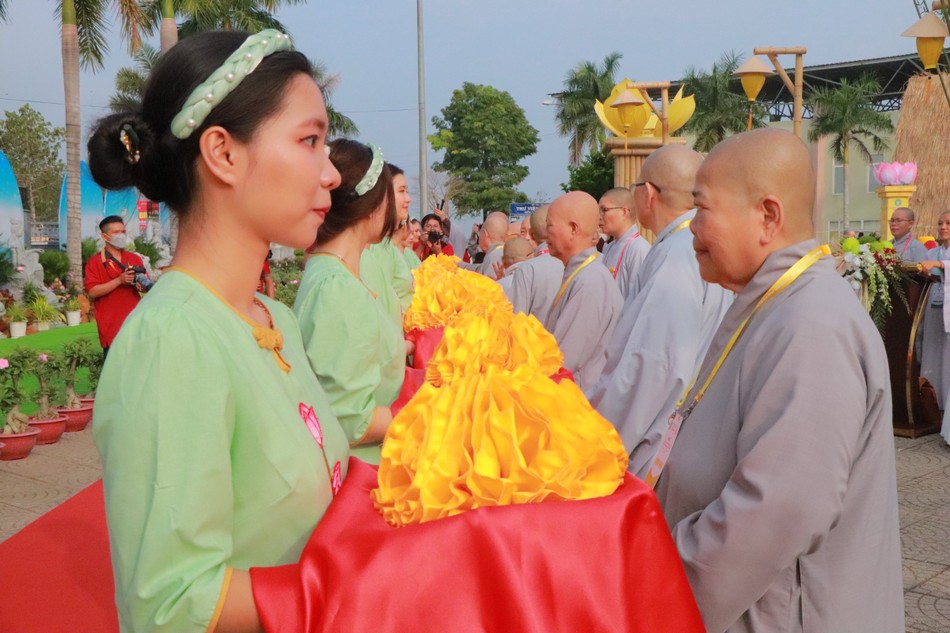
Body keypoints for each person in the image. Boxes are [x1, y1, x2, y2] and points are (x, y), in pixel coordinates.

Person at [86, 30, 350, 632]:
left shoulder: (272, 318)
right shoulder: (173, 337)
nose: (330, 173)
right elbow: (172, 604)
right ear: (223, 154)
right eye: (310, 140)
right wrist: (351, 583)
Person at [652, 128, 903, 632]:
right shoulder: (768, 303)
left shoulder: (811, 323)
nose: (692, 229)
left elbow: (774, 512)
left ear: (768, 216)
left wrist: (653, 585)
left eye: (702, 210)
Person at [586, 146, 732, 472]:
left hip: (661, 437)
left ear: (649, 194)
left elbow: (650, 367)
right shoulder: (693, 244)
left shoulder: (677, 254)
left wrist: (597, 440)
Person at [294, 140, 405, 465]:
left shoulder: (334, 274)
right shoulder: (336, 288)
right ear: (372, 206)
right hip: (361, 471)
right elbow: (349, 418)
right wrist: (438, 418)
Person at [543, 191, 622, 391]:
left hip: (579, 399)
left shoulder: (590, 281)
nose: (545, 234)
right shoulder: (580, 273)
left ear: (573, 229)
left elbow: (563, 359)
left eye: (549, 225)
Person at [84, 215, 149, 358]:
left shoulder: (134, 258)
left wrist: (140, 286)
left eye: (123, 231)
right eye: (116, 232)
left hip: (135, 324)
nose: (121, 235)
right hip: (111, 326)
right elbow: (93, 292)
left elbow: (146, 285)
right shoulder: (95, 262)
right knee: (114, 376)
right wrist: (119, 281)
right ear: (105, 236)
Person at [360, 163, 414, 318]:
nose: (408, 199)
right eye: (401, 191)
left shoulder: (385, 244)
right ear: (383, 195)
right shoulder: (376, 246)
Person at [919, 210, 950, 445]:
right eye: (940, 223)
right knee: (933, 354)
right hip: (935, 308)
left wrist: (940, 265)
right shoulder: (932, 251)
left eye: (948, 223)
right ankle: (934, 406)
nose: (943, 227)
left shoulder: (938, 256)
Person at [598, 187, 650, 301]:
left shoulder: (639, 249)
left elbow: (638, 299)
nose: (599, 216)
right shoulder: (609, 248)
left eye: (604, 210)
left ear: (624, 212)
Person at [459, 211, 507, 277]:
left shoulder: (494, 257)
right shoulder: (504, 252)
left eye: (480, 232)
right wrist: (457, 264)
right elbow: (479, 268)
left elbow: (488, 285)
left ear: (485, 234)